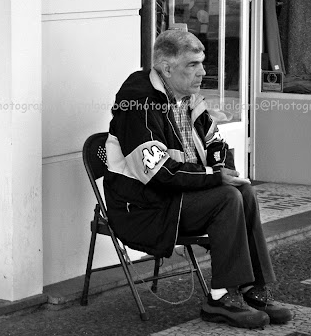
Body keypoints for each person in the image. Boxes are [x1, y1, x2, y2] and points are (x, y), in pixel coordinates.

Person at [104, 29, 293, 329]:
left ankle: (252, 287)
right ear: (166, 68)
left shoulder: (189, 99)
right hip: (143, 208)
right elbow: (159, 173)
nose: (203, 72)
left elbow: (217, 145)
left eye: (202, 63)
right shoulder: (137, 103)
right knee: (226, 197)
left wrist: (221, 170)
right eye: (192, 65)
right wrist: (214, 176)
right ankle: (220, 298)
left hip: (175, 199)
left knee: (244, 192)